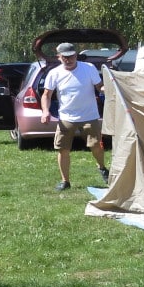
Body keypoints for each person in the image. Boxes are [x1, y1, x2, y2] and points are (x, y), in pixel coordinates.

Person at [40, 42, 109, 191]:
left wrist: (107, 89)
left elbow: (99, 87)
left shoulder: (88, 68)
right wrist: (45, 111)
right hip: (66, 117)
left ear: (76, 55)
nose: (68, 60)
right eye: (65, 57)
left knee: (96, 146)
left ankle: (102, 167)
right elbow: (46, 95)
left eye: (71, 56)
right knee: (62, 149)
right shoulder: (54, 73)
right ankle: (65, 181)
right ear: (59, 57)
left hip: (89, 115)